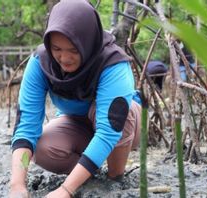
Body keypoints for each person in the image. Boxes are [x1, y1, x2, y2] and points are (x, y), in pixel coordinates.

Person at [9, 1, 141, 197]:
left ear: (87, 43)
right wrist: (17, 185)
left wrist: (66, 190)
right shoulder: (40, 62)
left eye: (74, 50)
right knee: (43, 149)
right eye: (57, 49)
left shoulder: (113, 63)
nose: (64, 58)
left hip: (121, 127)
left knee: (119, 113)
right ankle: (88, 172)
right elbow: (26, 128)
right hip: (78, 124)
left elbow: (108, 132)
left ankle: (115, 176)